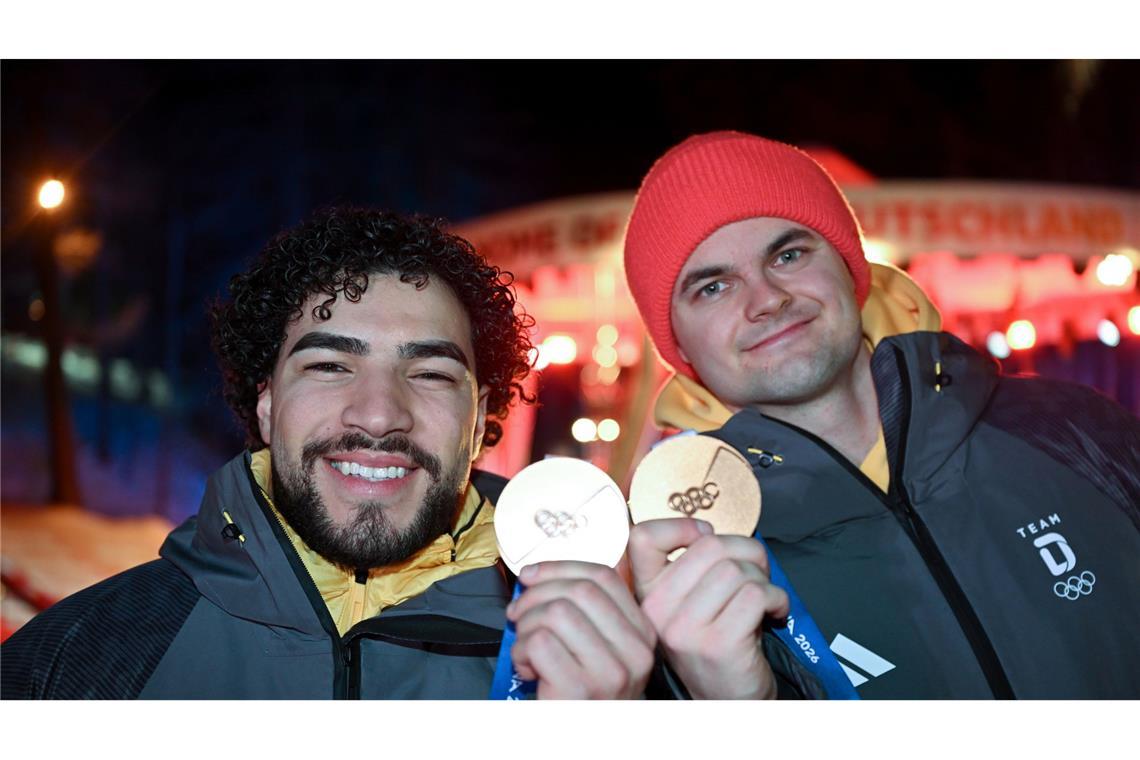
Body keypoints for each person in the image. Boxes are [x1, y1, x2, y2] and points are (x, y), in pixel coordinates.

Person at [2, 206, 656, 699]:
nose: (378, 414)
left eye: (429, 373)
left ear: (482, 414)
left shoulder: (606, 668)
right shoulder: (80, 661)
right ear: (265, 402)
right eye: (330, 366)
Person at [621, 130, 1140, 699]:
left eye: (788, 255)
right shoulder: (690, 583)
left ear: (851, 269)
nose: (766, 298)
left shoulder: (1074, 428)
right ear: (680, 350)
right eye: (714, 287)